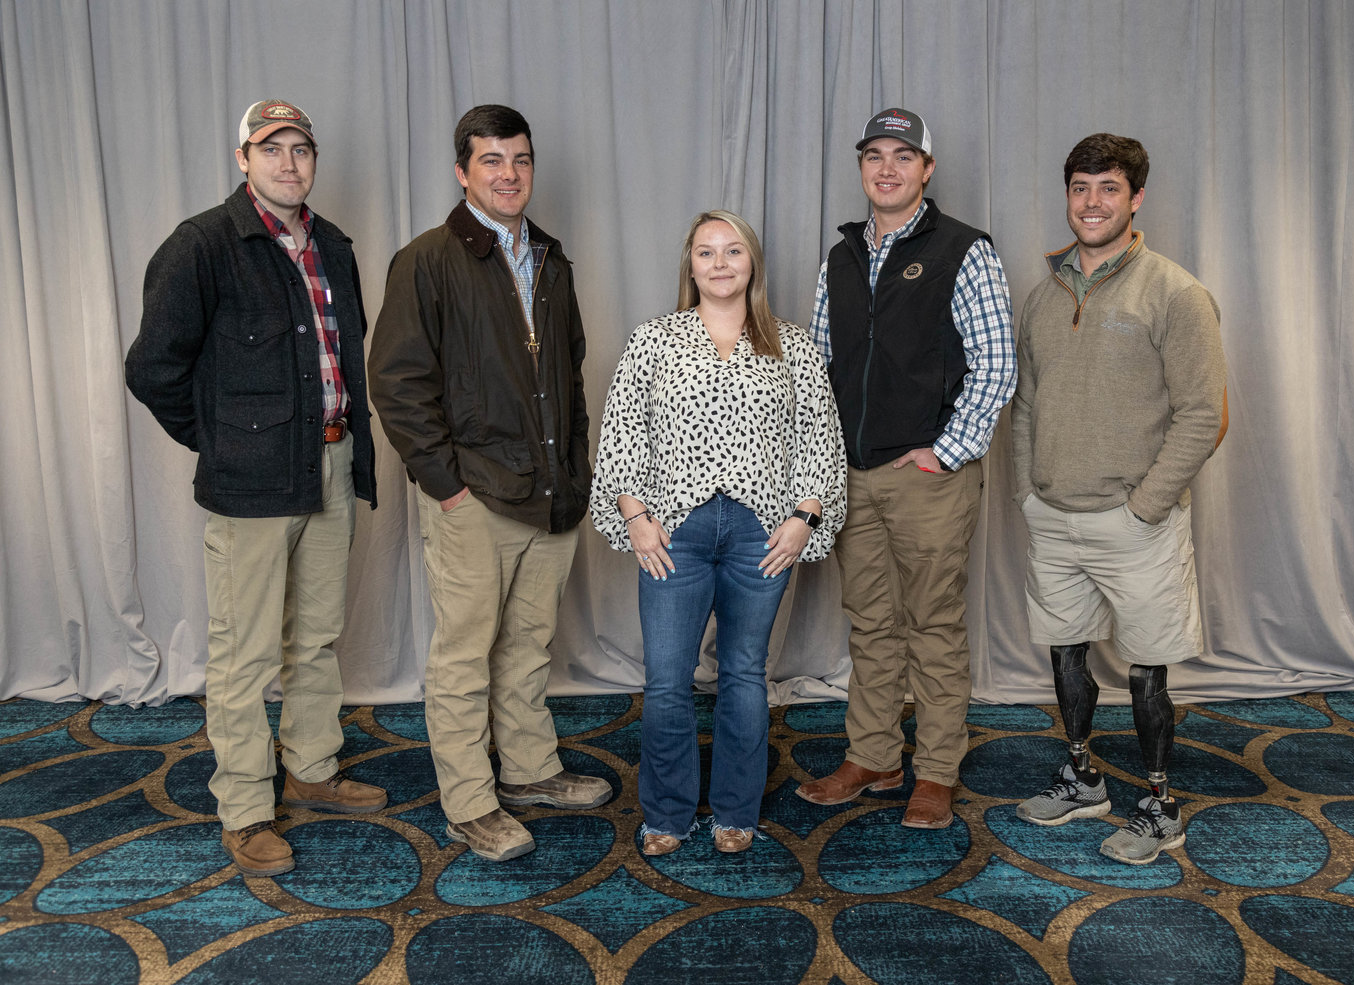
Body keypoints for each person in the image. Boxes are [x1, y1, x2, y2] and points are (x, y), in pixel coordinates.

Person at [125, 99, 386, 877]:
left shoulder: (331, 244)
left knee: (316, 633)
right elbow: (152, 369)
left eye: (301, 148)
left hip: (332, 465)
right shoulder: (204, 244)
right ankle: (244, 805)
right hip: (252, 484)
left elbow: (350, 359)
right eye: (271, 148)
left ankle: (310, 767)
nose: (288, 161)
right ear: (243, 157)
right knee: (243, 653)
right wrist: (225, 443)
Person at [369, 104, 610, 864]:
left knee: (529, 645)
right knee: (465, 655)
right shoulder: (428, 259)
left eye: (521, 160)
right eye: (492, 161)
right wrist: (447, 486)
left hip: (552, 494)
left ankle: (532, 772)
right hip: (475, 494)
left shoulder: (551, 258)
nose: (510, 175)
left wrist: (576, 470)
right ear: (462, 171)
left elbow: (566, 373)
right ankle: (470, 801)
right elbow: (397, 383)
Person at [592, 211, 846, 855]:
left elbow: (820, 439)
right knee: (669, 677)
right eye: (706, 252)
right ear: (691, 265)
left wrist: (805, 518)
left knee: (742, 673)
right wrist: (635, 518)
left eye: (733, 250)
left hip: (764, 533)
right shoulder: (654, 340)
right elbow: (622, 434)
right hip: (673, 531)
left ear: (752, 262)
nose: (721, 262)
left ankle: (736, 809)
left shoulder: (793, 345)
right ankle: (668, 813)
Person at [1011, 133, 1228, 864]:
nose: (1091, 202)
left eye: (1108, 188)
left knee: (1145, 670)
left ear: (1137, 198)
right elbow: (1028, 406)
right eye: (1080, 187)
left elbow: (1205, 412)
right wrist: (1028, 491)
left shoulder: (1176, 292)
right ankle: (1082, 778)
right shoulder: (1044, 294)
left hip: (1136, 520)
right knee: (1065, 653)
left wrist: (1148, 504)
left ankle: (1161, 805)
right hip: (1055, 516)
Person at [796, 108, 1015, 829]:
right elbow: (823, 363)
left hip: (928, 476)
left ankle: (938, 771)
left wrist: (948, 450)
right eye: (874, 156)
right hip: (855, 472)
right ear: (862, 167)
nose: (887, 168)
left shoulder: (964, 249)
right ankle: (875, 756)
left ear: (926, 169)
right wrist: (825, 462)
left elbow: (997, 364)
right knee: (870, 625)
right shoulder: (841, 257)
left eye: (902, 155)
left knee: (934, 624)